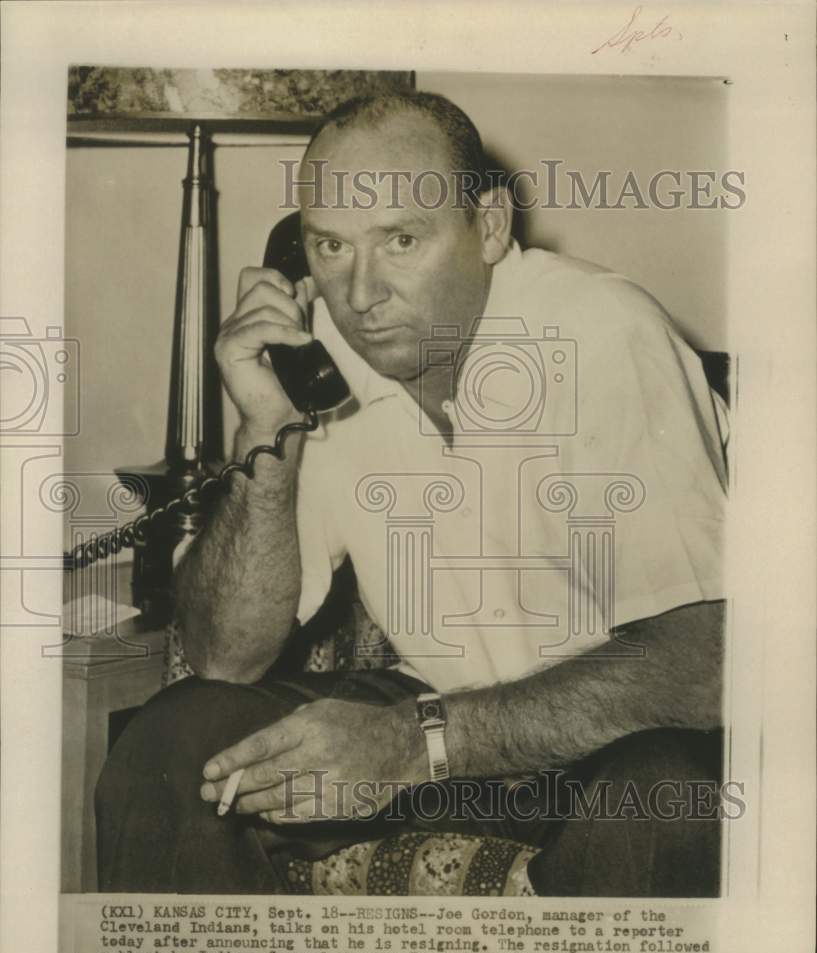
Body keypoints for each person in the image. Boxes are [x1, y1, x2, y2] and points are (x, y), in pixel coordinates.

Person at [96, 90, 727, 896]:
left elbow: (699, 665)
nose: (360, 295)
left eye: (400, 239)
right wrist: (267, 432)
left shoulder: (601, 335)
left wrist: (417, 742)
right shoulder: (323, 355)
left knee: (660, 796)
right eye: (329, 246)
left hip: (605, 741)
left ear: (489, 228)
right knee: (175, 741)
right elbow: (224, 655)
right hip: (445, 725)